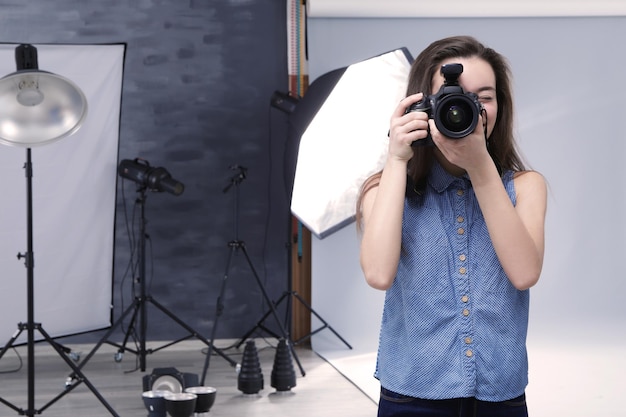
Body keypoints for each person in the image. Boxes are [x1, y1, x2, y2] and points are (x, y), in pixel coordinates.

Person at [356, 35, 547, 417]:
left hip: (500, 394)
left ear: (500, 108)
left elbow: (524, 273)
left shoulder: (525, 186)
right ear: (421, 106)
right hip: (411, 394)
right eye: (453, 97)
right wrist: (396, 159)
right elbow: (378, 274)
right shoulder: (385, 188)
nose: (468, 108)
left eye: (485, 97)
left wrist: (480, 166)